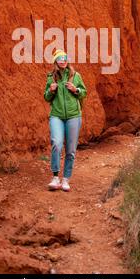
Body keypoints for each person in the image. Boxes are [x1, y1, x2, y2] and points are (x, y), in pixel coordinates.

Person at [43, 49, 87, 192]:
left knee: (71, 150)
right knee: (56, 143)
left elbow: (84, 92)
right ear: (56, 61)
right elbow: (46, 97)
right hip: (56, 115)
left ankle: (66, 179)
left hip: (74, 116)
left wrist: (76, 90)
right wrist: (51, 90)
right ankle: (55, 177)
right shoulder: (51, 77)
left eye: (65, 59)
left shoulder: (76, 76)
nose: (63, 61)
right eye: (60, 59)